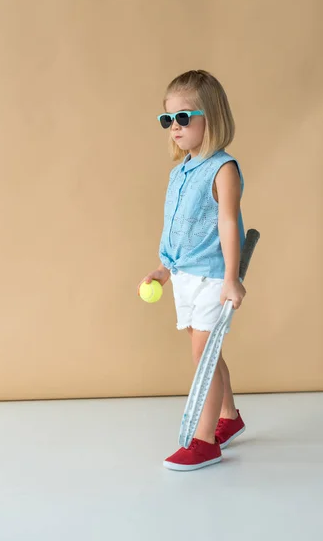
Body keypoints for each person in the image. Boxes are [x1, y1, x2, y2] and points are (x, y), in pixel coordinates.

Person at [138, 70, 247, 471]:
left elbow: (227, 224)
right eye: (168, 119)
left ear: (211, 116)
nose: (174, 128)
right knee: (208, 350)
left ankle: (204, 441)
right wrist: (164, 271)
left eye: (184, 117)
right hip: (185, 275)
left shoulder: (223, 169)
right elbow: (178, 228)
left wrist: (232, 278)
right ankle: (230, 418)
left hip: (212, 276)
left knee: (203, 355)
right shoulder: (180, 171)